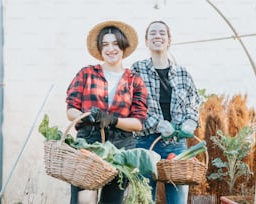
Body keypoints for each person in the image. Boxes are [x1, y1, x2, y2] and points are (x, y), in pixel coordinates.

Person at [65, 20, 148, 204]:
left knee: (112, 200)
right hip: (89, 143)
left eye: (115, 43)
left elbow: (138, 122)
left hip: (121, 147)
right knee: (83, 199)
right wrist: (86, 117)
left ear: (123, 46)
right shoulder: (86, 73)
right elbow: (71, 109)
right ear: (100, 49)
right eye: (105, 44)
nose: (111, 49)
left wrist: (113, 120)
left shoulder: (135, 81)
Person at [131, 20, 200, 204]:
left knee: (177, 201)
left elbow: (194, 103)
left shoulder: (182, 74)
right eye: (152, 33)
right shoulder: (137, 69)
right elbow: (134, 104)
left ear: (169, 40)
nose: (157, 36)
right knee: (143, 199)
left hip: (176, 147)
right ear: (146, 41)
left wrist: (190, 122)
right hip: (146, 143)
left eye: (162, 33)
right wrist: (157, 124)